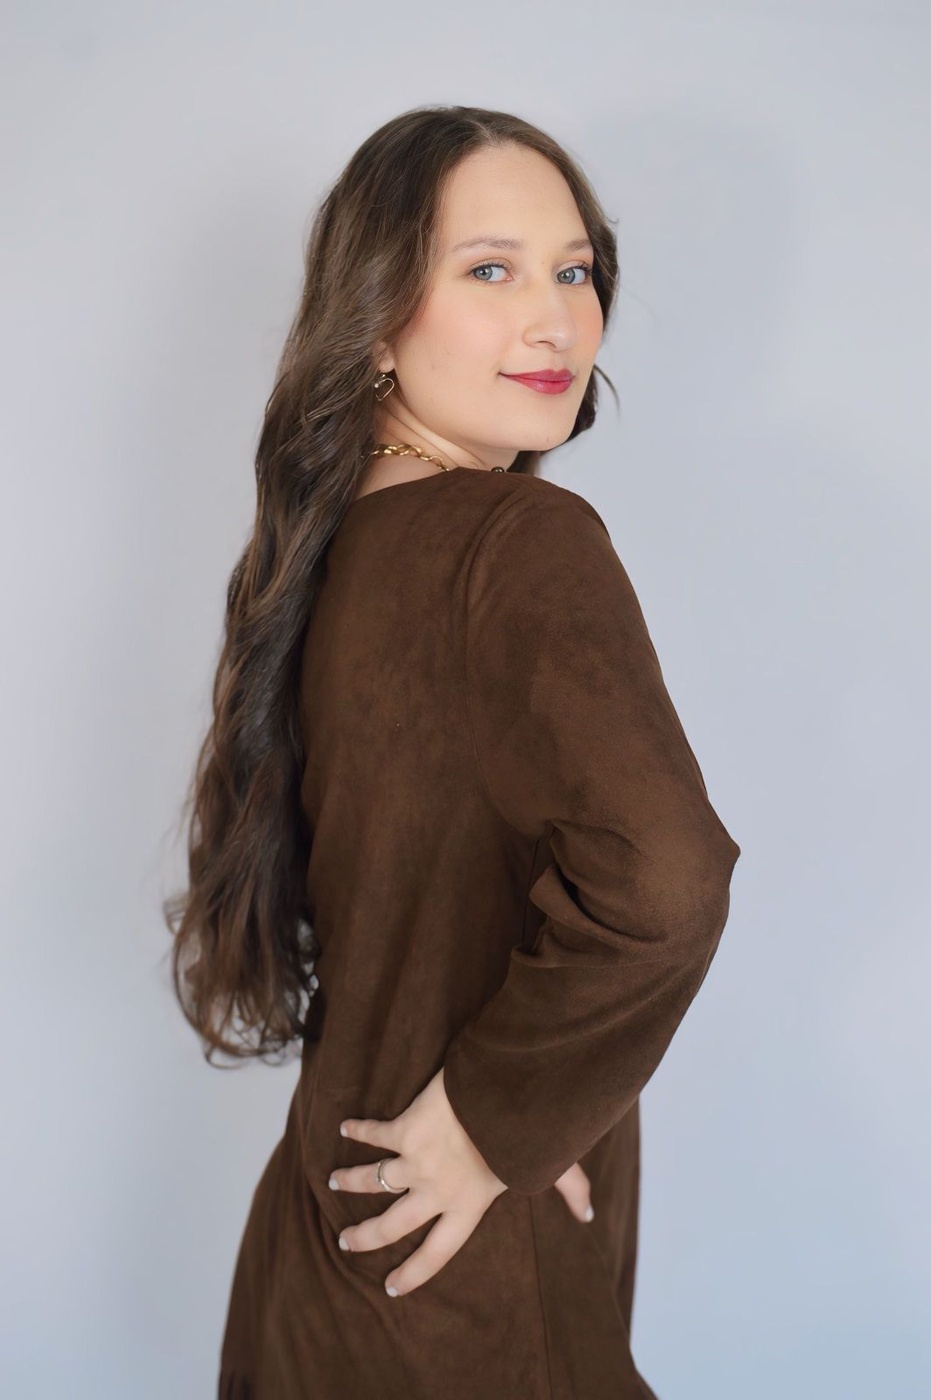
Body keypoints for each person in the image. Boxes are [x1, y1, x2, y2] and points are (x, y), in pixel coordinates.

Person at [164, 104, 741, 1400]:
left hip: (323, 1238)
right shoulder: (519, 544)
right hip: (451, 1275)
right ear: (375, 319)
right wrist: (495, 1120)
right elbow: (667, 881)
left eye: (575, 271)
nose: (556, 321)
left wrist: (539, 1107)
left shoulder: (318, 558)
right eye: (490, 269)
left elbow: (416, 917)